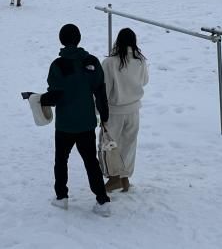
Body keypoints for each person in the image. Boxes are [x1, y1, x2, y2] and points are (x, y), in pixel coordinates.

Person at [37, 24, 112, 217]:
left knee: (61, 160)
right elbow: (100, 92)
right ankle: (102, 202)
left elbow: (55, 96)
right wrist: (104, 115)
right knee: (91, 162)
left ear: (61, 40)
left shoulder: (58, 65)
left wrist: (39, 99)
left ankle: (61, 198)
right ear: (79, 39)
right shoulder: (91, 62)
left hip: (65, 125)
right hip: (86, 122)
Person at [101, 28, 148, 193]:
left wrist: (99, 111)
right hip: (134, 110)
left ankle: (114, 179)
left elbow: (103, 89)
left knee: (110, 145)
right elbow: (145, 81)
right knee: (128, 146)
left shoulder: (110, 63)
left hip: (114, 111)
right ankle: (124, 179)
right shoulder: (140, 60)